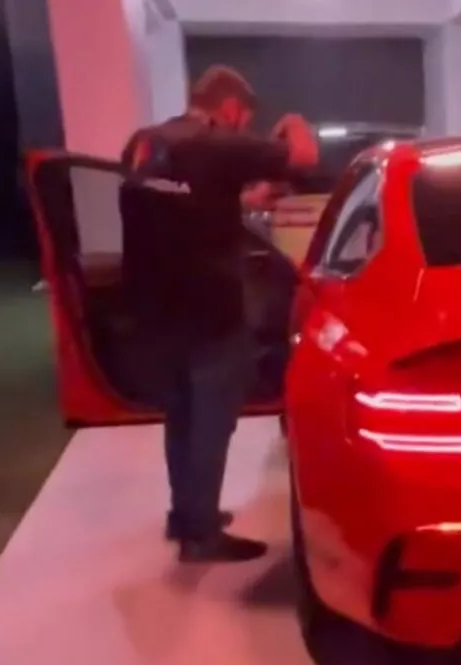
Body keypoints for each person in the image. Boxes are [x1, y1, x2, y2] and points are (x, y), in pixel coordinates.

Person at [120, 65, 319, 562]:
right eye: (245, 119)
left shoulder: (145, 143)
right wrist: (293, 121)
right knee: (211, 423)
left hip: (157, 311)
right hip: (211, 310)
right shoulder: (218, 145)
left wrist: (244, 199)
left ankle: (185, 514)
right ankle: (202, 534)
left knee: (181, 419)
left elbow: (189, 204)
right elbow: (304, 155)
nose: (243, 127)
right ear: (231, 109)